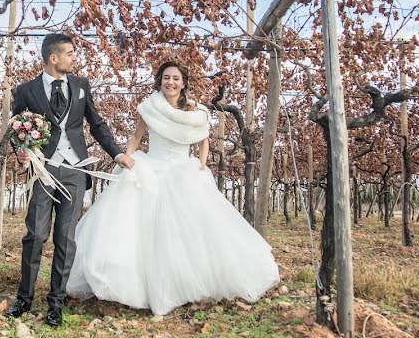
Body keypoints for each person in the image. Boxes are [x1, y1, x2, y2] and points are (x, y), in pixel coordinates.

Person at [66, 60, 280, 315]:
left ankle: (188, 282)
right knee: (142, 229)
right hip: (152, 167)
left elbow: (203, 141)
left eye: (176, 78)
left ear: (184, 82)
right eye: (166, 77)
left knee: (188, 232)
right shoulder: (150, 107)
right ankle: (138, 286)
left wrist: (200, 167)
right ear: (160, 80)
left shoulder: (195, 111)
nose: (170, 82)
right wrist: (127, 157)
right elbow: (137, 135)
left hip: (181, 171)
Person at [4, 33, 134, 327]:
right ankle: (23, 298)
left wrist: (116, 154)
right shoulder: (26, 90)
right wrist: (21, 153)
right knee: (35, 235)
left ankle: (56, 304)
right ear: (54, 58)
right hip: (43, 170)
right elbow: (15, 127)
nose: (74, 58)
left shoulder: (81, 86)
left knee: (66, 238)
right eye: (70, 53)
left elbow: (97, 123)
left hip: (75, 170)